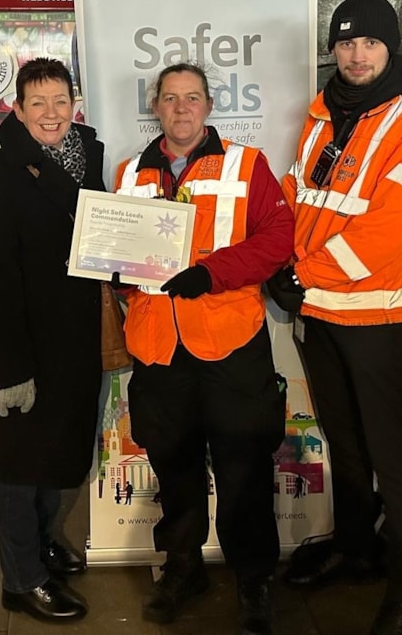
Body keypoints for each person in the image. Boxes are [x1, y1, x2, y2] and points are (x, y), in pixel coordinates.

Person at [268, 0, 402, 635]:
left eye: (368, 43)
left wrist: (301, 276)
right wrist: (277, 263)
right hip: (319, 315)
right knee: (343, 445)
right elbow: (295, 200)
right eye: (346, 43)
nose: (356, 54)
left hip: (373, 321)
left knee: (389, 454)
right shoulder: (321, 116)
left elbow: (387, 228)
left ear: (390, 48)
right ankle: (353, 547)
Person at [115, 62, 294, 635]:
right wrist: (114, 269)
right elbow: (113, 253)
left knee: (244, 463)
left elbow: (278, 238)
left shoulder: (248, 164)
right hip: (157, 346)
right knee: (173, 463)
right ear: (157, 107)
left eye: (192, 98)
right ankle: (183, 565)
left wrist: (211, 273)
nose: (182, 109)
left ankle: (254, 577)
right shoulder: (127, 174)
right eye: (170, 99)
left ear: (210, 106)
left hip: (230, 342)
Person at [0, 58, 105, 624]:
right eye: (37, 103)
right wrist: (9, 369)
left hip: (71, 340)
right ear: (17, 109)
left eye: (60, 101)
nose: (51, 113)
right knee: (20, 464)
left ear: (74, 106)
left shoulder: (85, 162)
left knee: (55, 452)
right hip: (20, 348)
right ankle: (20, 580)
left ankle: (42, 543)